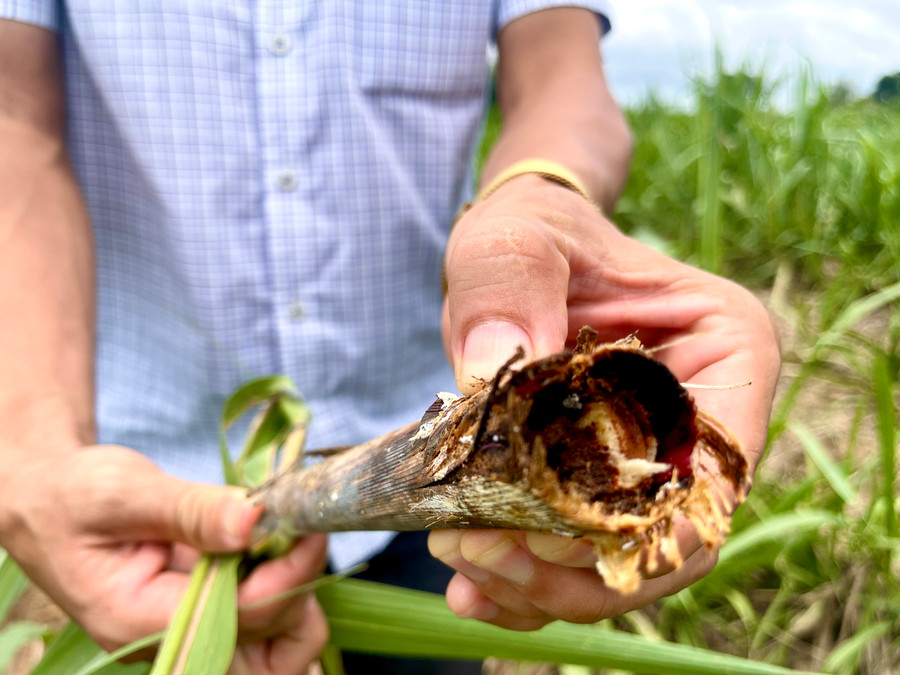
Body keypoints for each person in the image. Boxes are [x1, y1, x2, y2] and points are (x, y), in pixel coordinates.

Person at [0, 2, 781, 674]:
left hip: (425, 461)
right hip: (149, 475)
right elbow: (13, 120)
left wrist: (536, 198)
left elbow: (563, 83)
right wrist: (39, 450)